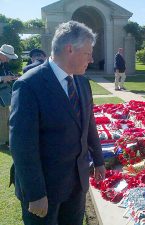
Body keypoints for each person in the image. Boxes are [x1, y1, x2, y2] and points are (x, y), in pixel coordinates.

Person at [9, 21, 106, 225]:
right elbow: (22, 146)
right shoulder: (28, 85)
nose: (92, 58)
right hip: (45, 189)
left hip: (76, 185)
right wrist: (35, 193)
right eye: (88, 53)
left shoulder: (82, 81)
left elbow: (89, 124)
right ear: (70, 49)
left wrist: (98, 160)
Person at [0, 44, 18, 144]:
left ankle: (6, 139)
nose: (8, 60)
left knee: (6, 115)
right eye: (7, 57)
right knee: (2, 117)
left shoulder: (4, 62)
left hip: (3, 94)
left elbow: (6, 73)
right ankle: (2, 141)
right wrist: (3, 78)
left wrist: (12, 76)